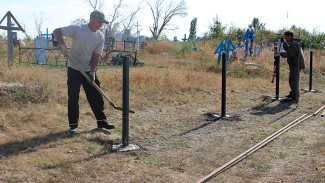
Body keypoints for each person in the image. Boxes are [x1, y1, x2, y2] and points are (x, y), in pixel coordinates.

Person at [53, 10, 115, 133]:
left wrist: (92, 72)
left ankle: (102, 121)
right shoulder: (78, 29)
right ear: (92, 18)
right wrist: (62, 45)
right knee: (73, 97)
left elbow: (96, 57)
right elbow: (57, 31)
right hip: (74, 68)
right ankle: (73, 125)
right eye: (99, 21)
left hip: (88, 69)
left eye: (102, 23)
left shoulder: (100, 36)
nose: (101, 25)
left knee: (96, 96)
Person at [276, 30, 305, 103]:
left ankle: (295, 96)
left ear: (290, 36)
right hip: (294, 64)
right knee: (291, 79)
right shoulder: (292, 43)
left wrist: (280, 54)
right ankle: (293, 93)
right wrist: (284, 43)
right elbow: (288, 49)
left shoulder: (294, 43)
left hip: (296, 65)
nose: (285, 38)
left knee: (294, 80)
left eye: (286, 37)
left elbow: (290, 53)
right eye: (284, 37)